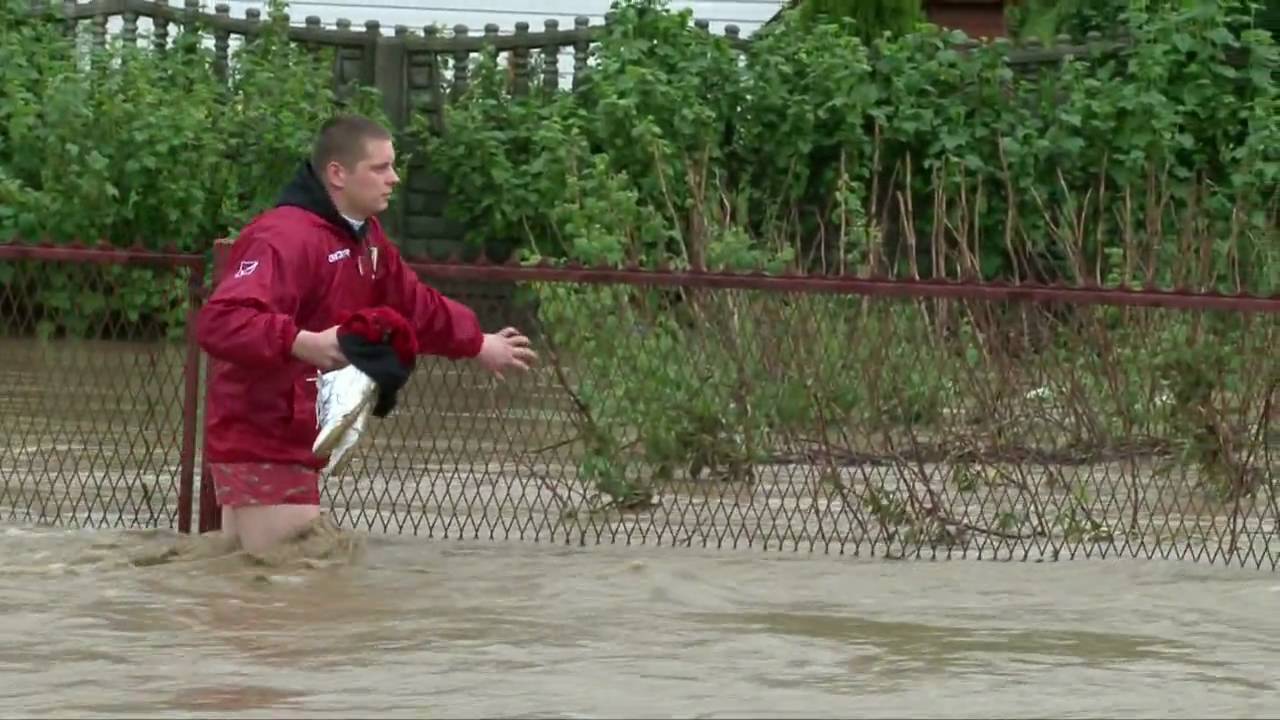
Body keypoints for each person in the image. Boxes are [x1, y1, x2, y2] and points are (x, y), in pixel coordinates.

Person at [195, 114, 537, 555]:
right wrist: (303, 342)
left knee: (254, 579)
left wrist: (477, 343)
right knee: (299, 578)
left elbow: (412, 303)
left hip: (293, 433)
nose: (394, 178)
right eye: (380, 168)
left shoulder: (365, 236)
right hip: (262, 435)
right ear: (338, 174)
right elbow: (220, 321)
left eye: (393, 166)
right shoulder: (283, 238)